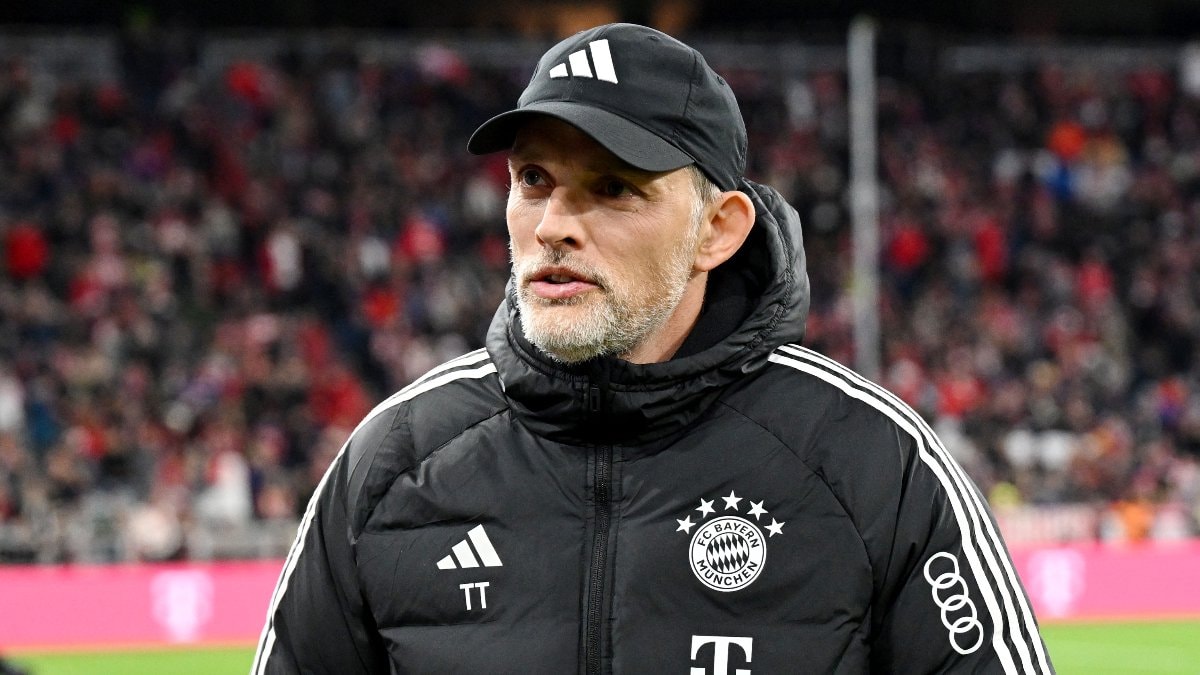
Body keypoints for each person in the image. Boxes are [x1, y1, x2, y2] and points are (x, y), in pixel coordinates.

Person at [252, 23, 1054, 674]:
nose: (554, 225)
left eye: (612, 188)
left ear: (717, 229)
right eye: (534, 180)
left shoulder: (873, 462)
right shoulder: (393, 461)